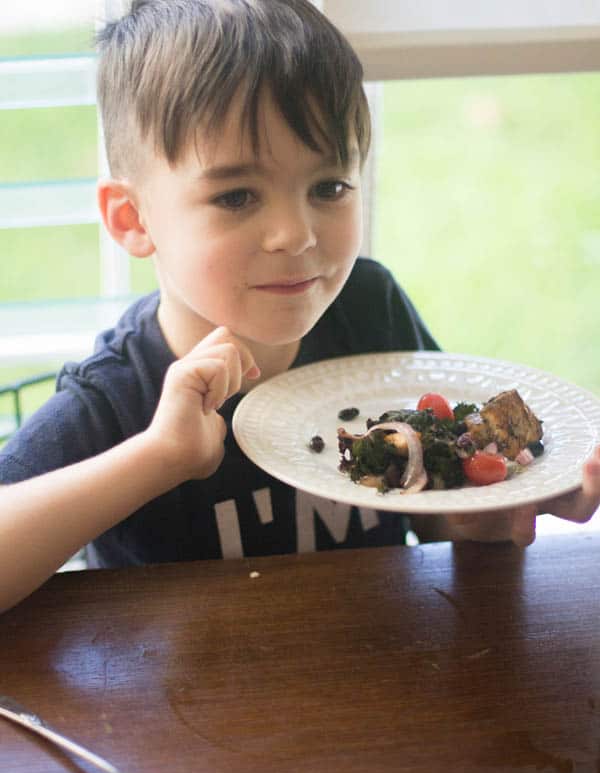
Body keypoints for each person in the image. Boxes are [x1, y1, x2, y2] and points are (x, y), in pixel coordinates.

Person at [0, 0, 599, 613]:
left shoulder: (369, 309)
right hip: (186, 702)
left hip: (386, 677)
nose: (296, 234)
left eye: (329, 187)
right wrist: (158, 459)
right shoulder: (117, 399)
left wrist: (494, 514)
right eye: (236, 196)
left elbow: (439, 513)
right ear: (133, 219)